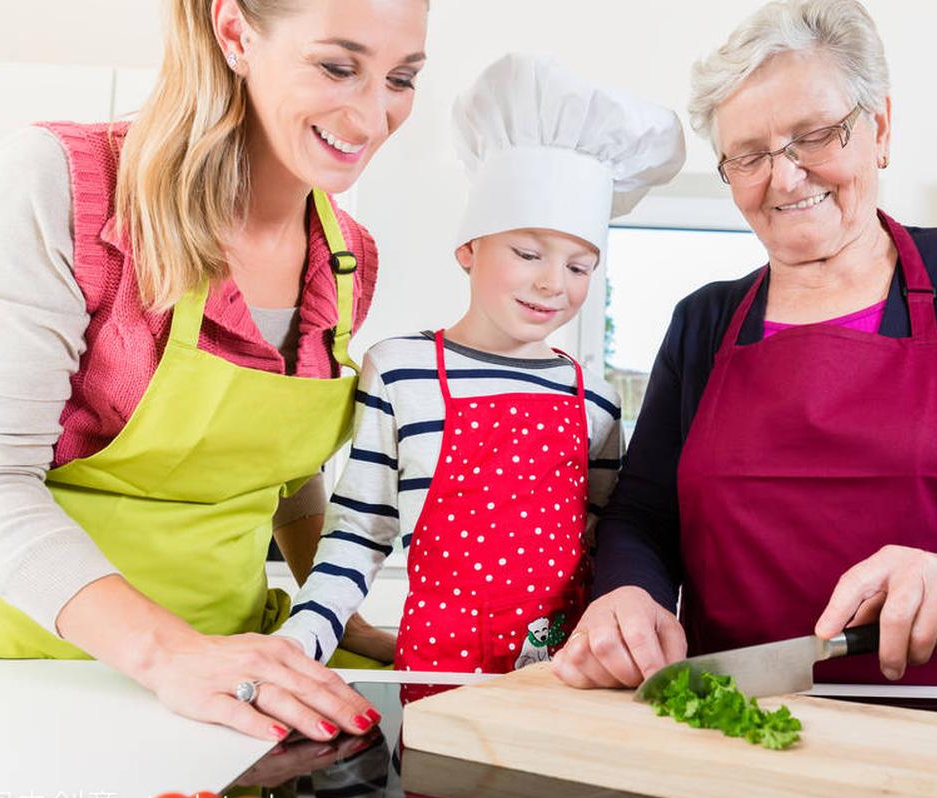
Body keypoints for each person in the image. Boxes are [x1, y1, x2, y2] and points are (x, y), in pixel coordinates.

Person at [552, 0, 937, 692]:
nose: (786, 177)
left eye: (816, 134)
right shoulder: (704, 323)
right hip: (739, 732)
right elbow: (644, 514)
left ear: (880, 127)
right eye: (750, 154)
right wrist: (628, 592)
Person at [0, 0, 428, 741]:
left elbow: (275, 465)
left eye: (401, 78)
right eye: (338, 67)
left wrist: (340, 616)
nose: (373, 118)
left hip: (238, 680)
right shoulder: (63, 186)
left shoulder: (347, 257)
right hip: (37, 676)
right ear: (236, 33)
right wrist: (172, 655)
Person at [276, 54, 685, 689]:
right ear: (469, 249)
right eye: (528, 253)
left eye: (579, 267)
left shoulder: (594, 400)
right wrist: (300, 645)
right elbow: (358, 533)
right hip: (435, 672)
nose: (554, 283)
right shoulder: (401, 371)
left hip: (560, 683)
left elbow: (607, 548)